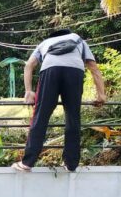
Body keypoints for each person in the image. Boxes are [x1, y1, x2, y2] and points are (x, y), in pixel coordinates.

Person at [12, 28, 106, 172]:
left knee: (41, 116)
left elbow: (29, 66)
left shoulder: (45, 42)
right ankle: (71, 164)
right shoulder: (78, 39)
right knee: (73, 117)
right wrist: (101, 94)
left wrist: (28, 91)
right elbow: (93, 67)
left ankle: (27, 163)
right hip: (75, 72)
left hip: (50, 71)